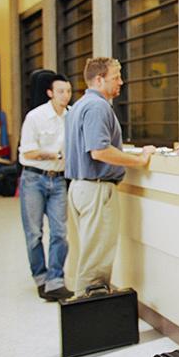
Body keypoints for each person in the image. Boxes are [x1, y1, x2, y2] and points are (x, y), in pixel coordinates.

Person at [64, 57, 155, 296]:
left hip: (78, 188)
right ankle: (89, 314)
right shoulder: (97, 107)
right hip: (97, 190)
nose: (121, 82)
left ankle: (79, 305)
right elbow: (100, 150)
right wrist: (139, 160)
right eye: (116, 77)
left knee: (84, 252)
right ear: (98, 79)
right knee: (96, 260)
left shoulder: (79, 106)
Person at [18, 74, 73, 301]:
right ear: (50, 93)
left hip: (59, 180)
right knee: (34, 233)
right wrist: (54, 154)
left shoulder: (71, 116)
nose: (66, 95)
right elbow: (27, 152)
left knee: (60, 232)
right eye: (61, 91)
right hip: (34, 179)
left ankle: (55, 281)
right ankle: (40, 278)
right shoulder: (35, 117)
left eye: (69, 91)